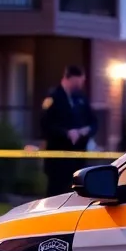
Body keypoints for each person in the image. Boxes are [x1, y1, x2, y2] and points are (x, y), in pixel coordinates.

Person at [39, 65, 98, 197]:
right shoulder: (53, 98)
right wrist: (66, 133)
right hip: (58, 157)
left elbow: (93, 122)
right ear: (69, 78)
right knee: (56, 193)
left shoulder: (81, 98)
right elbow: (45, 125)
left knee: (76, 194)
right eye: (79, 80)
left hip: (78, 157)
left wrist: (86, 130)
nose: (81, 84)